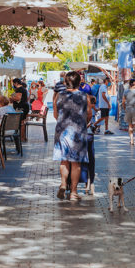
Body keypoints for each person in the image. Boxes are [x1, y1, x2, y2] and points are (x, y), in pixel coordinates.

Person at [53, 71, 89, 201]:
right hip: (78, 132)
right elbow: (89, 114)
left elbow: (55, 115)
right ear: (79, 82)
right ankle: (73, 192)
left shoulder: (59, 96)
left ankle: (63, 184)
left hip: (62, 131)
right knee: (76, 163)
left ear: (65, 82)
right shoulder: (84, 96)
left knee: (64, 160)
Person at [121, 79, 135, 146]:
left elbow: (123, 102)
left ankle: (131, 141)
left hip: (128, 110)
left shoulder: (125, 92)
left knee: (130, 125)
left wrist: (125, 108)